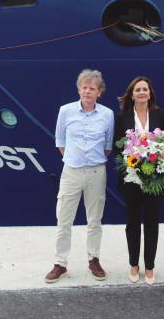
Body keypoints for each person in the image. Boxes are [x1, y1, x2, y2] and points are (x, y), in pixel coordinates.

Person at [44, 69, 114, 283]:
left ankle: (93, 260)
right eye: (84, 87)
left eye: (92, 88)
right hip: (71, 172)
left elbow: (108, 146)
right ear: (78, 89)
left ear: (99, 92)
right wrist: (75, 160)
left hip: (96, 173)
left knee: (95, 220)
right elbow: (60, 141)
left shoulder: (107, 114)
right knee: (64, 219)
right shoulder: (65, 111)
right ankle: (60, 263)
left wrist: (91, 161)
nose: (87, 91)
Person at [113, 76, 164, 285]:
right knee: (132, 223)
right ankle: (133, 264)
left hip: (154, 179)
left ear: (150, 93)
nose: (141, 93)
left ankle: (149, 267)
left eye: (144, 89)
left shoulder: (160, 115)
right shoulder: (122, 117)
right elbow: (117, 148)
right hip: (131, 178)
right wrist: (135, 163)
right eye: (137, 89)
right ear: (131, 94)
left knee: (152, 223)